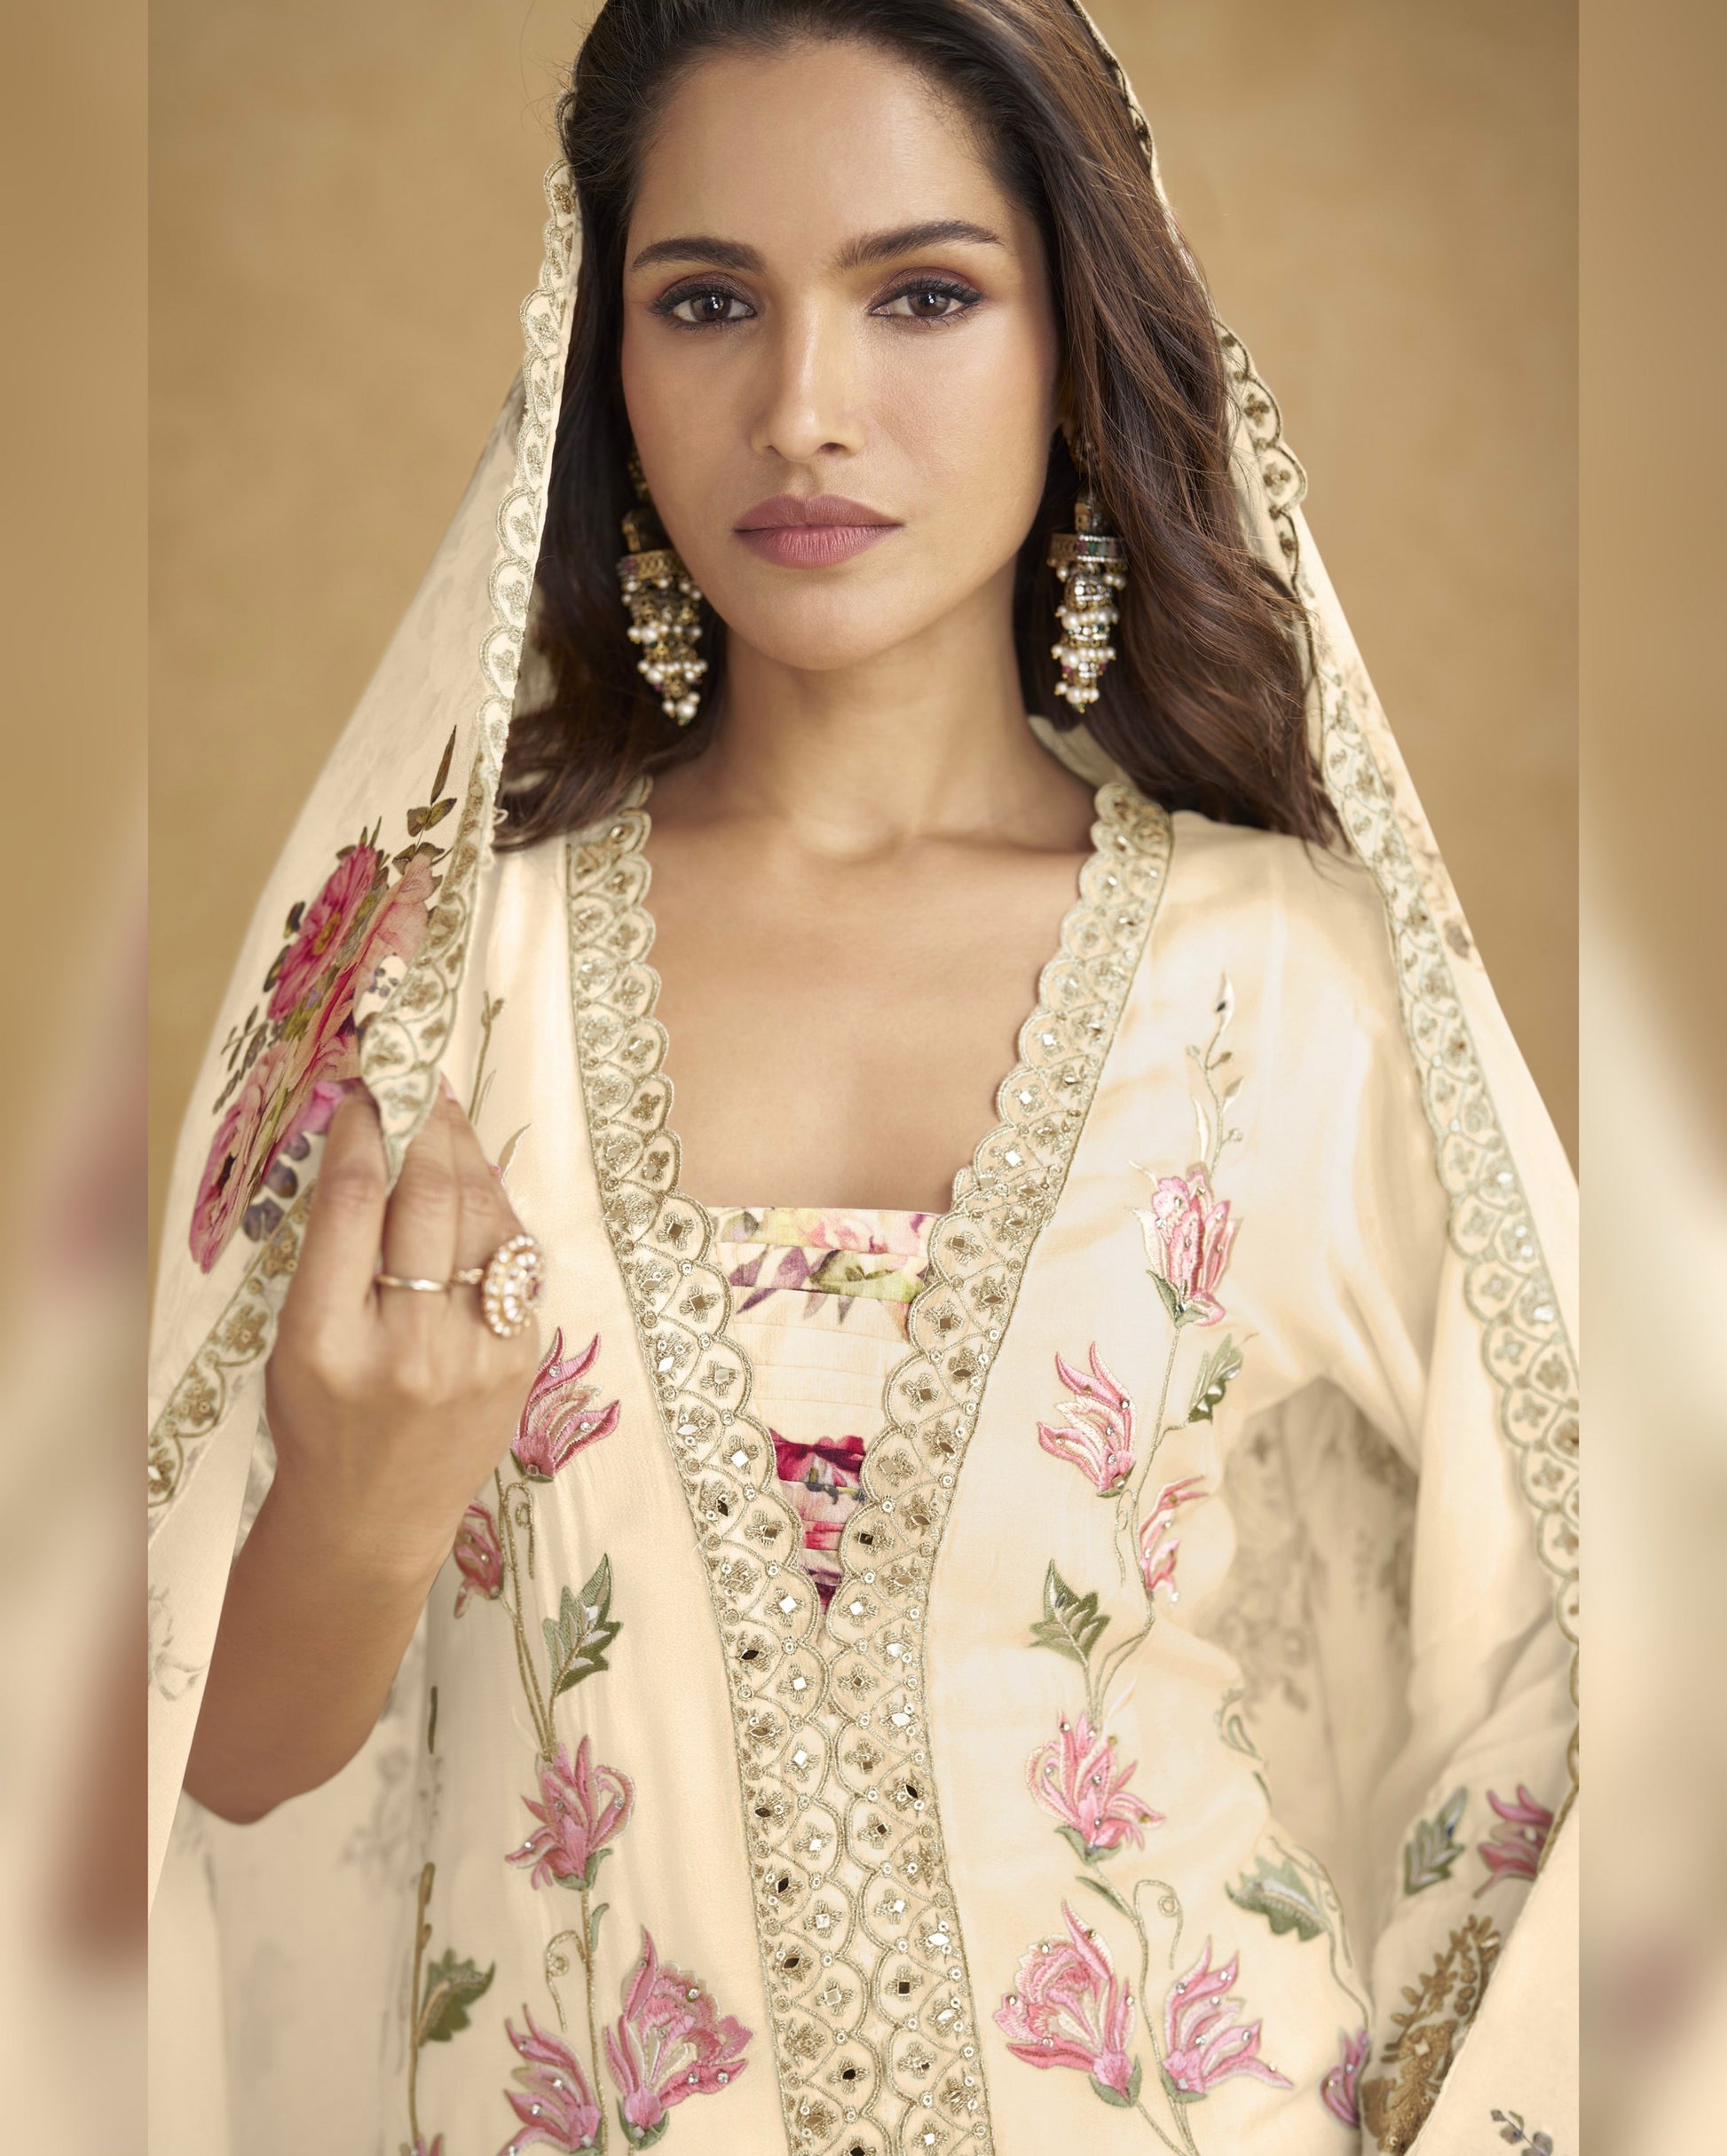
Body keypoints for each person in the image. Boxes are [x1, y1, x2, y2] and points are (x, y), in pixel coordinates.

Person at [147, 4, 1579, 2152]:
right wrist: (359, 1510)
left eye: (923, 294)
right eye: (707, 301)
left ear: (1072, 343)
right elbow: (180, 1763)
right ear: (600, 366)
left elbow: (1585, 1666)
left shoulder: (1285, 985)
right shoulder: (441, 987)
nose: (803, 410)